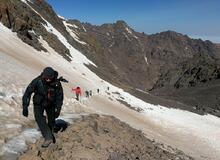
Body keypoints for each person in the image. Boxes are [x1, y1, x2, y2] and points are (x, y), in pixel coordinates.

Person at [22, 67, 65, 148]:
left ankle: (50, 131)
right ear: (43, 76)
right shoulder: (37, 81)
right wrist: (25, 106)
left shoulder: (57, 83)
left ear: (53, 76)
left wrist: (58, 109)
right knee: (39, 118)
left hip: (51, 103)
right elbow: (27, 93)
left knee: (52, 119)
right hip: (39, 103)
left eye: (50, 78)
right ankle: (48, 137)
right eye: (46, 78)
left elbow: (60, 97)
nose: (48, 79)